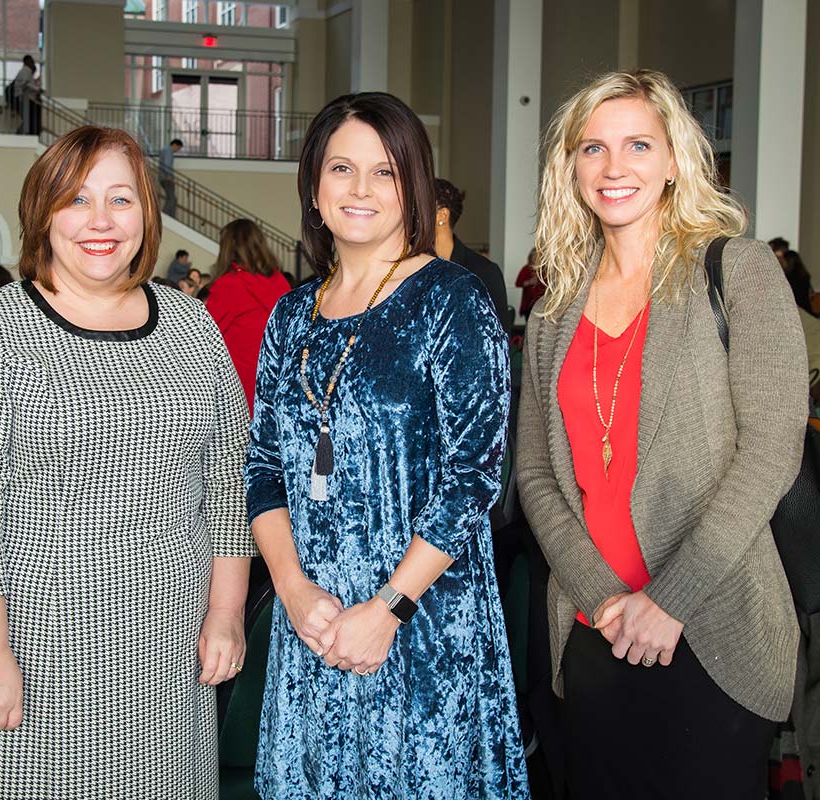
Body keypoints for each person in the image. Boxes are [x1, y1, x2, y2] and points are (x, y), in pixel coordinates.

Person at [0, 125, 255, 799]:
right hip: (32, 649)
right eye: (76, 200)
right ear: (42, 215)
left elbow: (228, 480)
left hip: (169, 643)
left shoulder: (192, 325)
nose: (99, 222)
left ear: (146, 215)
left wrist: (226, 611)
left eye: (120, 200)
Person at [516, 69, 807, 800]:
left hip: (713, 628)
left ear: (675, 158)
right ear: (570, 167)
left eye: (638, 145)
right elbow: (537, 475)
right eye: (593, 149)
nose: (614, 168)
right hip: (593, 627)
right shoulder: (554, 311)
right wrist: (607, 598)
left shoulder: (735, 271)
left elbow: (771, 448)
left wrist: (667, 602)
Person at [245, 92, 527, 799]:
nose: (361, 189)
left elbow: (474, 479)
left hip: (421, 624)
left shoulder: (452, 300)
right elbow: (264, 468)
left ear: (416, 187)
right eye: (342, 168)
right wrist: (292, 589)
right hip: (313, 622)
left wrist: (388, 609)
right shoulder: (289, 315)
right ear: (314, 186)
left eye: (385, 172)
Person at [204, 218, 291, 414]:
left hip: (238, 394)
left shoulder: (229, 285)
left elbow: (202, 338)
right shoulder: (280, 282)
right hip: (276, 387)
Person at [433, 178, 510, 332]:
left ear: (442, 216)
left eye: (417, 207)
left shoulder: (483, 272)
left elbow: (499, 337)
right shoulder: (408, 268)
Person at [6, 55, 41, 136]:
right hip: (24, 99)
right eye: (31, 61)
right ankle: (25, 133)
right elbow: (26, 84)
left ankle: (27, 132)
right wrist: (37, 89)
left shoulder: (26, 72)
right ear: (26, 62)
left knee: (29, 119)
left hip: (25, 98)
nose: (33, 63)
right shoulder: (25, 71)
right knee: (29, 118)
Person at [515, 247, 547, 320]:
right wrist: (529, 282)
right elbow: (518, 283)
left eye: (538, 256)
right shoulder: (526, 269)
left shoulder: (544, 270)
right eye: (534, 256)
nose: (536, 258)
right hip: (529, 303)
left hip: (542, 303)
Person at [783, 249, 816, 314]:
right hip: (806, 310)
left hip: (796, 311)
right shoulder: (804, 275)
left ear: (788, 261)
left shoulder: (789, 278)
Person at [159, 138, 183, 217]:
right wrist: (169, 176)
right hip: (166, 177)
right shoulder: (168, 151)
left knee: (172, 198)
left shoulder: (166, 150)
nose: (177, 150)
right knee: (172, 198)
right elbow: (167, 165)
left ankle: (169, 216)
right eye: (178, 148)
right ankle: (165, 215)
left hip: (164, 177)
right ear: (174, 144)